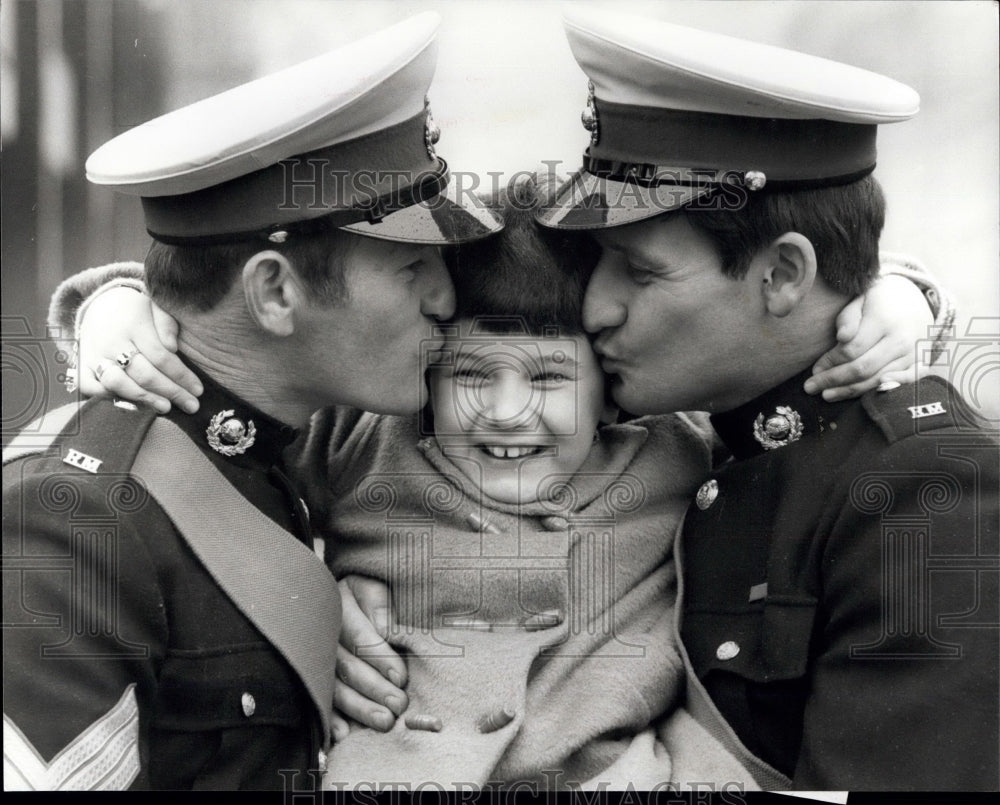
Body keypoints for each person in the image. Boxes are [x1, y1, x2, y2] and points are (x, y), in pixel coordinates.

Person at [54, 175, 942, 791]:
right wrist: (117, 306)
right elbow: (241, 387)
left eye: (552, 381)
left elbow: (778, 349)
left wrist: (902, 297)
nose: (509, 412)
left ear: (612, 388)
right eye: (471, 374)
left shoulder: (670, 447)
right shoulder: (366, 439)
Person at [1, 13, 501, 791]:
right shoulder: (73, 515)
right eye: (412, 269)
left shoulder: (287, 453)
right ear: (273, 292)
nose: (446, 297)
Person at [533, 8, 999, 790]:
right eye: (596, 264)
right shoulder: (687, 429)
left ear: (782, 275)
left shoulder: (928, 490)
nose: (595, 308)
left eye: (639, 273)